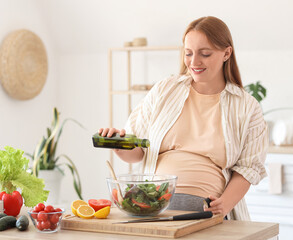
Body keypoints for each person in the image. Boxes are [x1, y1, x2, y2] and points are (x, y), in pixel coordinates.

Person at [98, 16, 268, 221]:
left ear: (227, 53)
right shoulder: (164, 90)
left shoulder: (247, 107)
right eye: (188, 53)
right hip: (153, 206)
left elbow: (248, 168)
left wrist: (225, 205)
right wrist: (120, 146)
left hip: (205, 210)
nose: (194, 62)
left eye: (205, 54)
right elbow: (138, 152)